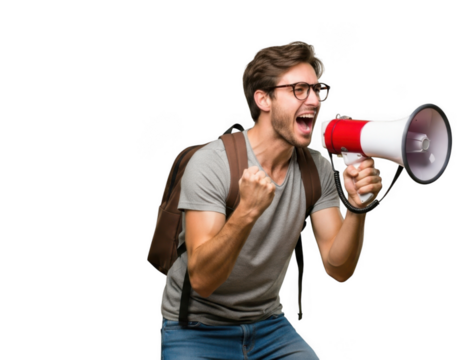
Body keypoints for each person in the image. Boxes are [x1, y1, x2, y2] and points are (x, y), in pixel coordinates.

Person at [159, 40, 383, 360]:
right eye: (299, 89)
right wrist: (246, 212)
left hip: (267, 326)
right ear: (263, 98)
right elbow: (203, 281)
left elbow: (339, 268)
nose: (315, 100)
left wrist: (358, 206)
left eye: (318, 90)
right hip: (196, 329)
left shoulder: (316, 168)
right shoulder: (212, 163)